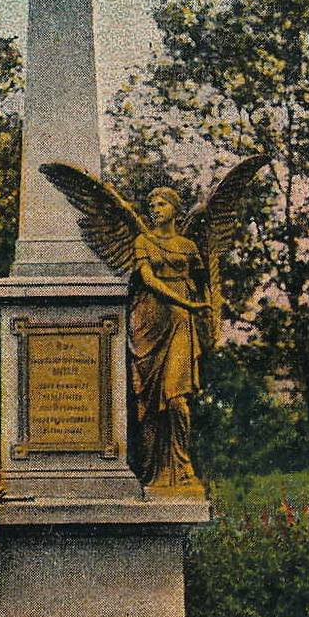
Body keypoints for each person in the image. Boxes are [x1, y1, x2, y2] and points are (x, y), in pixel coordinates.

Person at [128, 187, 210, 491]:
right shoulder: (143, 241)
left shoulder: (188, 246)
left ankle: (182, 464)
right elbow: (148, 279)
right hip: (151, 320)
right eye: (152, 204)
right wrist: (186, 302)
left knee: (177, 400)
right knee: (147, 405)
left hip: (180, 325)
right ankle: (153, 471)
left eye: (162, 203)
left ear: (175, 208)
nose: (156, 208)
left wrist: (204, 311)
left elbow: (204, 283)